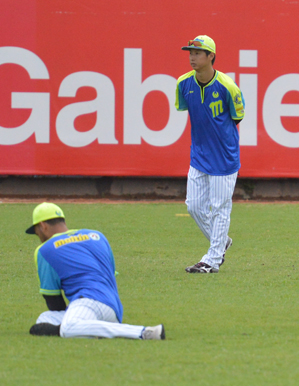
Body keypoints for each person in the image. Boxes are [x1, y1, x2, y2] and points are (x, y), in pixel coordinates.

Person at [26, 203, 165, 339]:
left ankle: (142, 332)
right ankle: (90, 330)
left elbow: (53, 301)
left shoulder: (45, 250)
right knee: (44, 319)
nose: (38, 235)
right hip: (114, 307)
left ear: (42, 226)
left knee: (68, 326)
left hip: (87, 302)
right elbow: (111, 275)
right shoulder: (97, 236)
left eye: (36, 231)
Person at [175, 35, 245, 273]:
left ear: (211, 56)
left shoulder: (228, 86)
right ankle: (222, 241)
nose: (192, 57)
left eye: (197, 53)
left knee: (220, 208)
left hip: (224, 158)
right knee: (193, 206)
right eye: (190, 53)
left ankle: (212, 260)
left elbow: (238, 116)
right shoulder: (183, 84)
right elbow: (186, 109)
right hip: (199, 155)